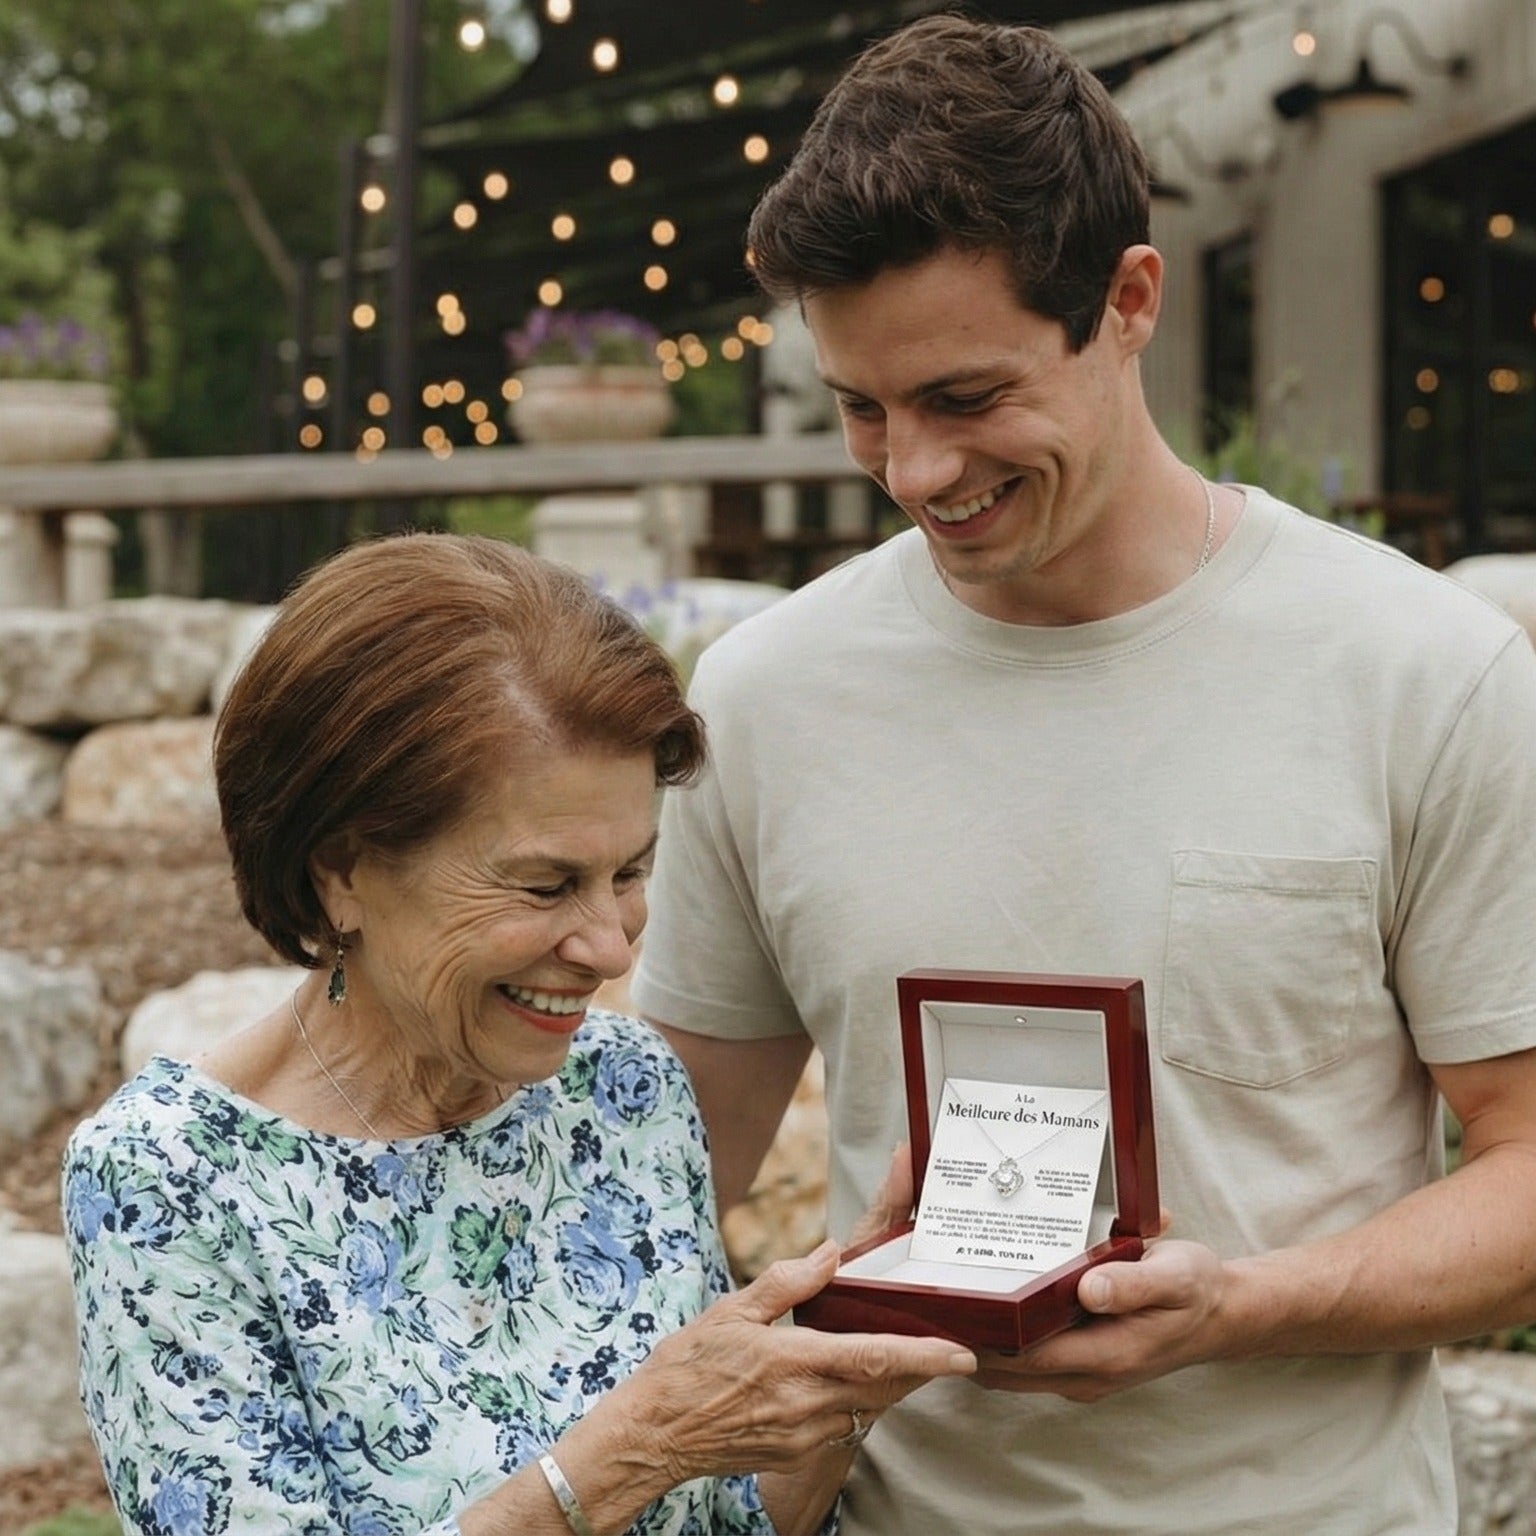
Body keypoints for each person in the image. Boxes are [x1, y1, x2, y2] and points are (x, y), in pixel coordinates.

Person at [630, 14, 1536, 1535]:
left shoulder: (1424, 671)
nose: (916, 472)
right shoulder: (766, 698)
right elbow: (655, 1189)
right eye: (865, 407)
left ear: (1128, 302)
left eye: (967, 401)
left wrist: (1242, 1304)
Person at [60, 532, 975, 1536]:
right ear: (341, 870)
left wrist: (853, 1355)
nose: (610, 948)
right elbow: (645, 1453)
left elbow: (726, 1522)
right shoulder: (170, 1179)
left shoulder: (623, 1087)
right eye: (546, 885)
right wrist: (625, 1455)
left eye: (630, 873)